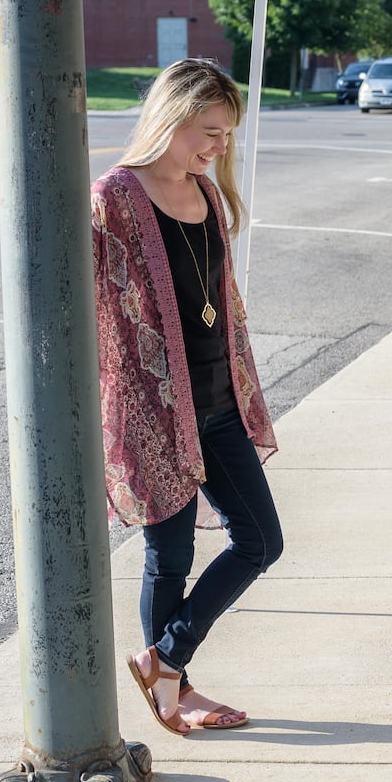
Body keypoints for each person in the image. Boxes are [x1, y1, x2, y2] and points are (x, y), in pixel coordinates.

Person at [91, 58, 282, 736]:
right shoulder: (115, 196)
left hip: (218, 402)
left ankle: (163, 661)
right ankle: (175, 692)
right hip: (152, 412)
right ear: (170, 118)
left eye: (226, 132)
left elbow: (215, 305)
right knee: (168, 556)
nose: (218, 144)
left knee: (260, 541)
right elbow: (88, 302)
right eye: (208, 129)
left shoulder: (206, 192)